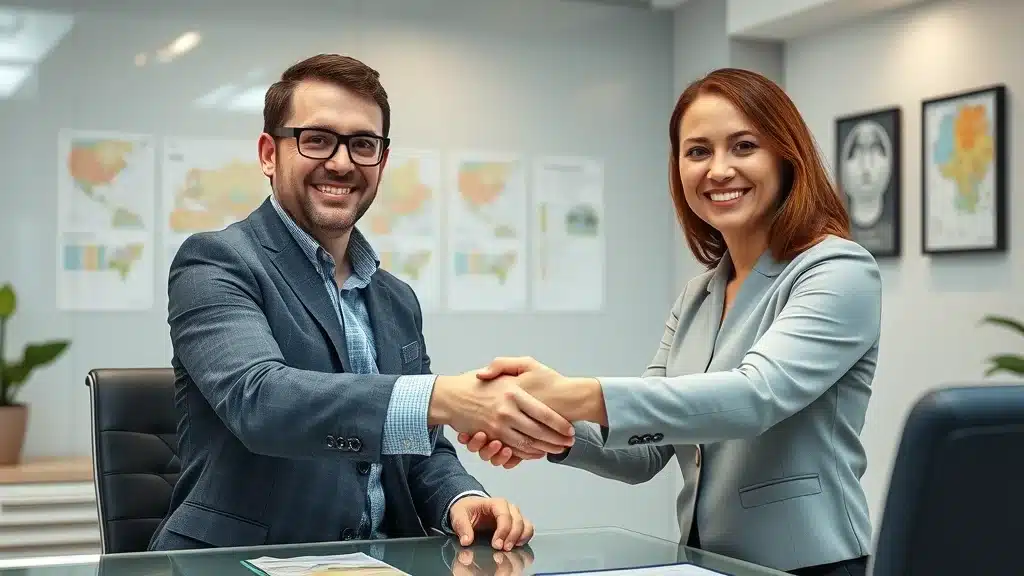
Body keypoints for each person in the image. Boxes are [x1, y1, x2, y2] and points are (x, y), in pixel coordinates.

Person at [456, 68, 880, 576]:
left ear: (787, 157)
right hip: (708, 562)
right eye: (698, 151)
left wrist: (569, 392)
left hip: (813, 564)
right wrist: (545, 425)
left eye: (743, 146)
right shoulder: (699, 295)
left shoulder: (838, 270)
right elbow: (647, 451)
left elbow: (753, 398)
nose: (718, 169)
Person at [150, 53, 575, 552]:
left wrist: (459, 498)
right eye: (317, 139)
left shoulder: (395, 299)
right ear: (269, 153)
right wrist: (445, 398)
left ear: (382, 160)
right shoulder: (217, 261)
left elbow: (417, 446)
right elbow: (259, 402)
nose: (342, 162)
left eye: (363, 145)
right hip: (241, 560)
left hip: (377, 561)